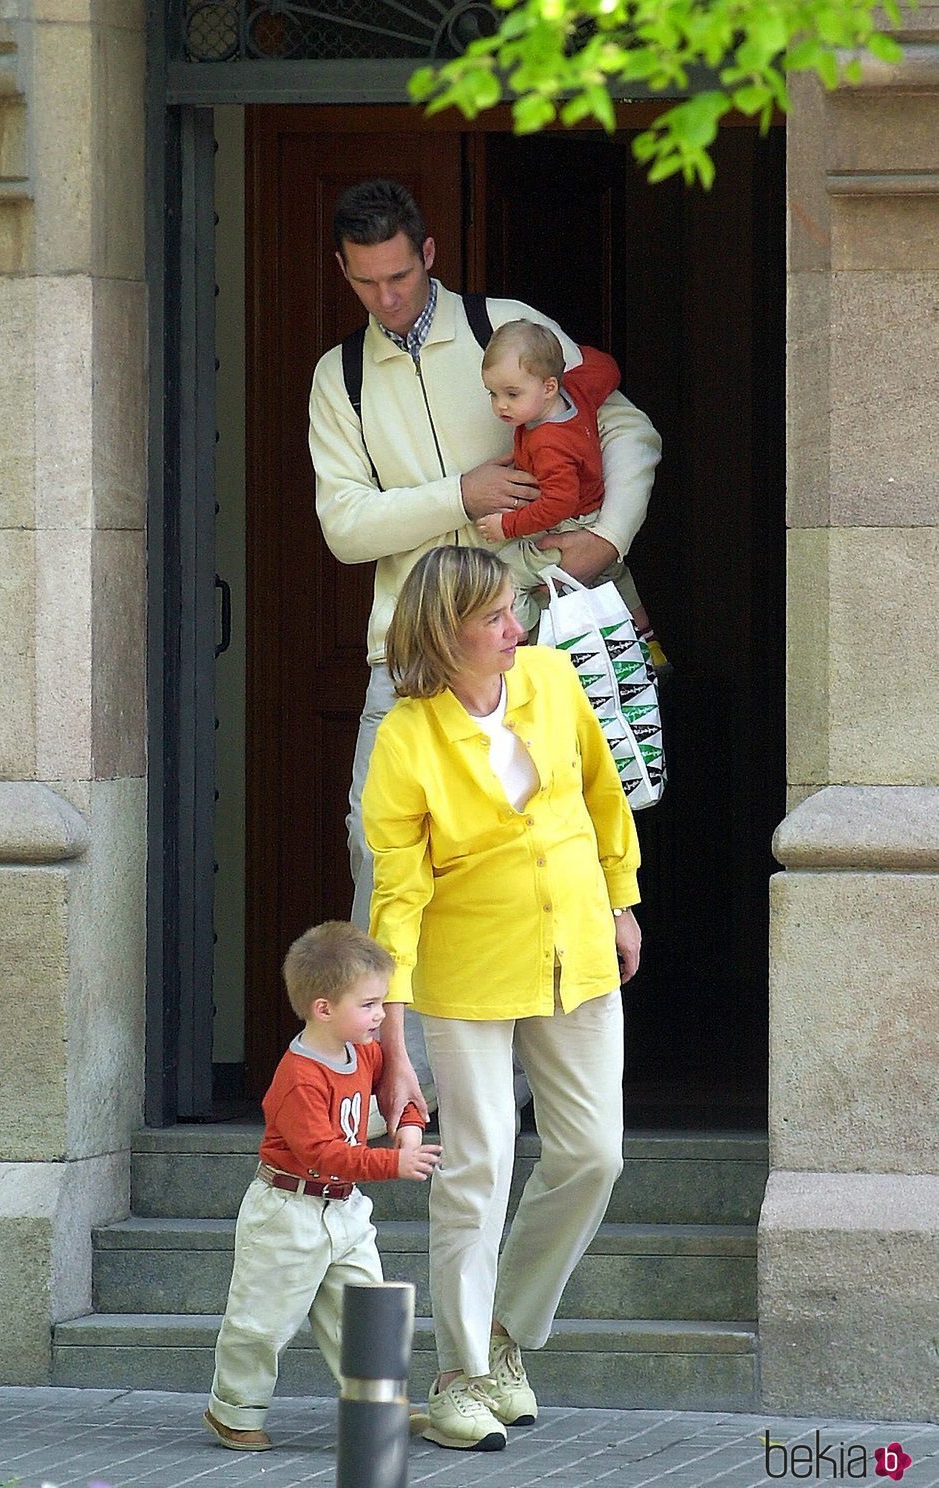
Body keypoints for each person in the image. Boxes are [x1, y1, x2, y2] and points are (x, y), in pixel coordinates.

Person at [309, 177, 659, 1121]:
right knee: (382, 857)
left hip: (529, 635)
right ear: (343, 272)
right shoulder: (339, 377)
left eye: (399, 275)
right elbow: (343, 527)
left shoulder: (505, 323)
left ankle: (532, 1098)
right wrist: (459, 495)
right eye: (364, 282)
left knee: (554, 840)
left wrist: (612, 534)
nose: (387, 299)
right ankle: (406, 1096)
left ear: (428, 254)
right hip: (411, 655)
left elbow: (620, 422)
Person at [362, 546, 641, 1452]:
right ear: (445, 637)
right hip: (465, 972)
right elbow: (396, 894)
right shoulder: (406, 740)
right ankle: (456, 1379)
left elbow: (604, 795)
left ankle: (505, 1336)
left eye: (514, 611)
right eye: (494, 619)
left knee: (593, 1154)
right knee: (477, 1172)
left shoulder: (554, 680)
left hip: (577, 954)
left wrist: (623, 899)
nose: (516, 629)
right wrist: (392, 1039)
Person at [204, 921, 441, 1452]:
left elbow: (399, 1092)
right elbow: (320, 1154)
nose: (382, 1015)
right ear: (323, 1009)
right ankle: (234, 1410)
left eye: (382, 1002)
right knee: (261, 1321)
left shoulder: (366, 1051)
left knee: (366, 1311)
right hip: (287, 1209)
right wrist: (393, 1164)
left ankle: (379, 1406)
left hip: (345, 1211)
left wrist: (408, 1125)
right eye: (370, 1004)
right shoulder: (298, 1077)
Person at [475, 319, 668, 666]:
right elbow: (605, 368)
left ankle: (519, 655)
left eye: (512, 393)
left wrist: (506, 526)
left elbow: (557, 502)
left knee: (504, 576)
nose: (501, 406)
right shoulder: (577, 390)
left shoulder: (550, 445)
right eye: (493, 393)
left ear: (548, 386)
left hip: (564, 527)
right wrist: (580, 356)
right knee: (613, 573)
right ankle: (648, 646)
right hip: (592, 514)